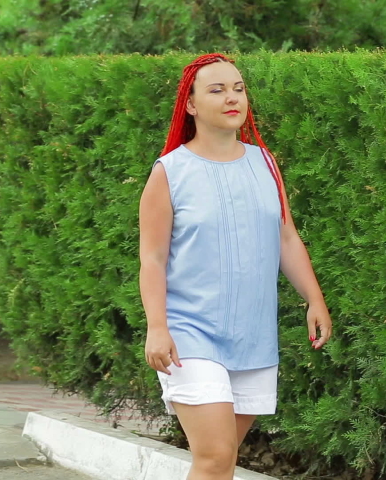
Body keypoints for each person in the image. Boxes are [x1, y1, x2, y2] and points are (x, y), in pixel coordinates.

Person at [138, 53, 332, 480]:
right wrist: (157, 326)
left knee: (222, 461)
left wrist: (314, 299)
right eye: (217, 90)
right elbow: (152, 259)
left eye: (238, 89)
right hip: (190, 334)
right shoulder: (170, 172)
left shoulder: (265, 163)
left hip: (253, 337)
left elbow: (286, 237)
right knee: (214, 456)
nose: (232, 98)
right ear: (190, 104)